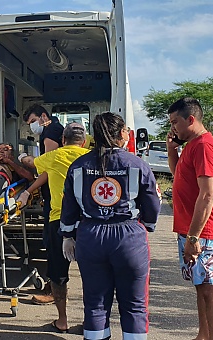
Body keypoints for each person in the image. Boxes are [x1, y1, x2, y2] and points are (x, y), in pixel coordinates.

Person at [60, 112, 161, 340]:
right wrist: (147, 225)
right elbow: (152, 203)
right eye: (125, 130)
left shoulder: (78, 166)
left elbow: (69, 204)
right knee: (135, 305)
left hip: (90, 237)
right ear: (120, 134)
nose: (127, 134)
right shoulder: (137, 164)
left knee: (95, 303)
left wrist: (68, 234)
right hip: (129, 237)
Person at [16, 123, 90, 332]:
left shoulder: (55, 156)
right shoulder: (90, 157)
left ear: (63, 140)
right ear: (83, 142)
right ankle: (90, 321)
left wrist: (20, 157)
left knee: (58, 275)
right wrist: (30, 190)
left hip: (58, 220)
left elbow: (33, 165)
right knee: (91, 274)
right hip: (87, 222)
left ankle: (63, 320)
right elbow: (45, 174)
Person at [167, 97, 213, 340]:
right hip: (191, 230)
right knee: (201, 287)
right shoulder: (192, 145)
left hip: (204, 232)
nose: (173, 128)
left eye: (175, 122)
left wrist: (194, 236)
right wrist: (173, 150)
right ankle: (203, 335)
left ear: (190, 119)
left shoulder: (204, 146)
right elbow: (178, 174)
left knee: (212, 289)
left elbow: (207, 195)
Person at [22, 104, 64, 304]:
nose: (31, 126)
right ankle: (54, 285)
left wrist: (29, 190)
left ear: (43, 116)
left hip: (56, 198)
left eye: (32, 121)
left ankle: (53, 290)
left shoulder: (51, 132)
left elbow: (48, 169)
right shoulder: (52, 130)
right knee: (53, 241)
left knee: (53, 244)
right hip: (56, 195)